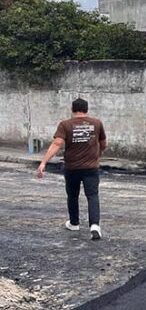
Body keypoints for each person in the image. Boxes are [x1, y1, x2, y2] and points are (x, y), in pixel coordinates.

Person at [36, 98, 107, 240]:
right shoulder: (97, 123)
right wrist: (98, 155)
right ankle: (94, 225)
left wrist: (43, 162)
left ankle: (74, 223)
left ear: (72, 110)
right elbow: (103, 143)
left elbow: (57, 143)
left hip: (72, 167)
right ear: (87, 109)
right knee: (92, 196)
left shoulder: (65, 125)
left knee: (73, 195)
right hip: (91, 167)